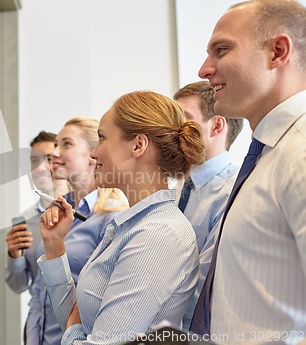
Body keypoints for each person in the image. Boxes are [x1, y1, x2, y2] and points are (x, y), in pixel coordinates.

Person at [38, 91, 205, 344]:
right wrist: (54, 246)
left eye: (102, 138)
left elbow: (84, 332)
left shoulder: (157, 234)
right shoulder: (130, 226)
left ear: (138, 145)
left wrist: (75, 328)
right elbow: (76, 322)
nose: (94, 154)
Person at [189, 1, 306, 343]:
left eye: (221, 50)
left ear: (277, 52)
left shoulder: (299, 152)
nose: (203, 70)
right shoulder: (267, 155)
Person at [26, 118, 129, 345]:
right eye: (55, 144)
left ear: (93, 153)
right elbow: (40, 289)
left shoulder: (112, 218)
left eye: (66, 144)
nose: (53, 152)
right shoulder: (58, 211)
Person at [173, 80, 243, 328]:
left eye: (185, 119)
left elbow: (203, 283)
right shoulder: (176, 189)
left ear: (216, 125)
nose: (174, 130)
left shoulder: (234, 191)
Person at [5, 131, 69, 343]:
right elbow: (18, 285)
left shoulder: (83, 214)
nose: (41, 168)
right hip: (36, 327)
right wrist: (14, 255)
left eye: (49, 159)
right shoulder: (23, 220)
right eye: (34, 161)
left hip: (73, 328)